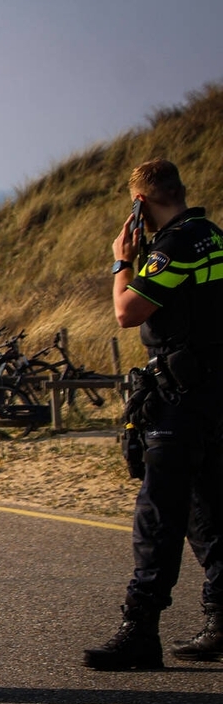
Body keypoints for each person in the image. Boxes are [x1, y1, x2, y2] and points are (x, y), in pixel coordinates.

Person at [85, 159, 223, 668]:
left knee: (158, 515)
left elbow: (127, 311)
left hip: (179, 397)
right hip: (214, 393)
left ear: (139, 203)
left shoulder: (173, 246)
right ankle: (221, 617)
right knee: (207, 507)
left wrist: (122, 262)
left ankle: (140, 630)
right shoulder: (213, 236)